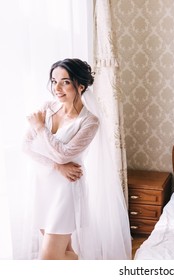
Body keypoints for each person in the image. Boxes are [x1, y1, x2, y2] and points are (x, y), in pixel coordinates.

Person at [23, 58, 131, 259]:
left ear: (80, 86)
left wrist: (39, 128)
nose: (57, 88)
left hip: (66, 190)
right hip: (44, 186)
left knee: (48, 258)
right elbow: (27, 147)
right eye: (54, 81)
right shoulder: (47, 108)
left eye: (65, 82)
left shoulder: (89, 122)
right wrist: (57, 166)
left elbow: (64, 153)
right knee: (65, 252)